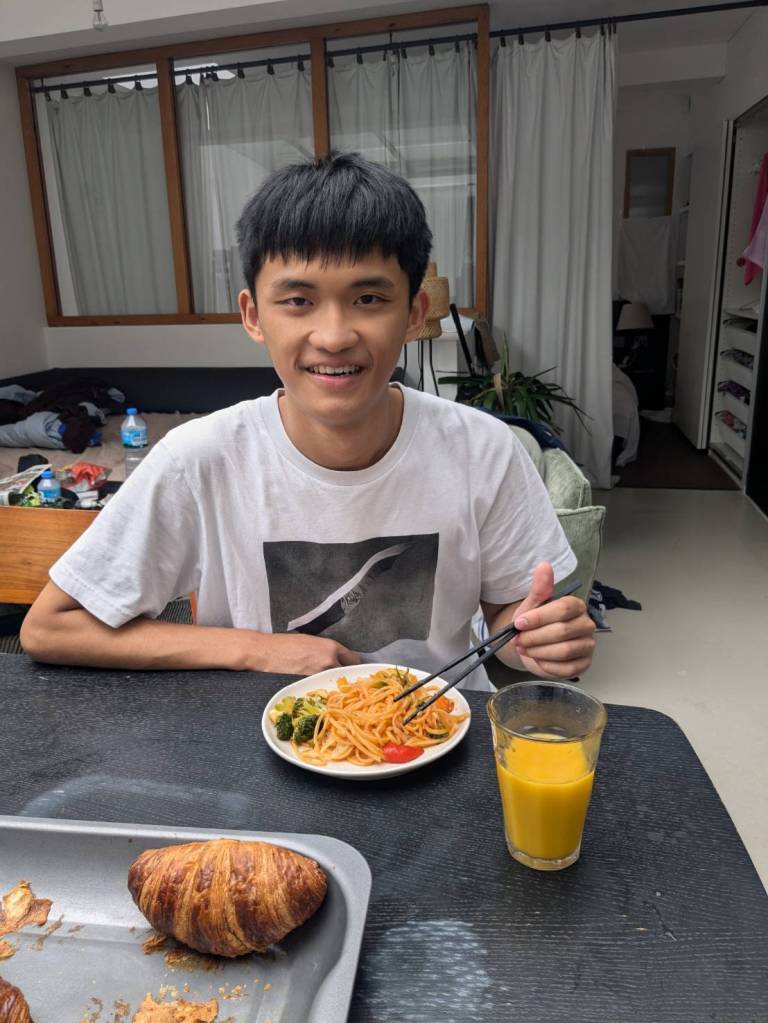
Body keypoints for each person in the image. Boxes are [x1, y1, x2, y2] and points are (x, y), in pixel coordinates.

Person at [21, 152, 595, 689]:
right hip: (259, 740)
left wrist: (534, 639)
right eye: (298, 301)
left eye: (369, 299)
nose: (334, 336)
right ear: (253, 315)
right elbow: (50, 628)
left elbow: (508, 616)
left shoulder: (482, 449)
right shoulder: (199, 459)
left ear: (414, 314)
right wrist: (255, 649)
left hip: (438, 736)